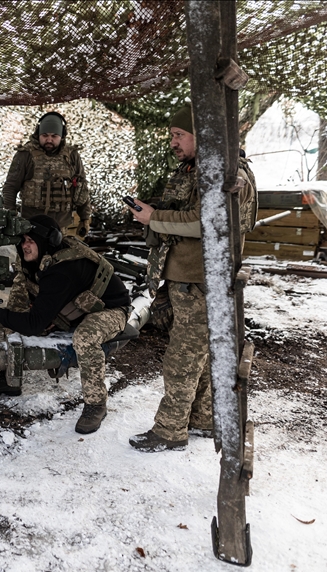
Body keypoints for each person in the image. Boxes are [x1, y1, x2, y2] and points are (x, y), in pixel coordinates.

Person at [127, 103, 257, 452]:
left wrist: (154, 218)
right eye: (172, 135)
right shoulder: (196, 168)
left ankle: (170, 432)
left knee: (182, 360)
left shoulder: (228, 173)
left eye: (179, 134)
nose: (174, 142)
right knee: (197, 354)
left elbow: (207, 223)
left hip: (203, 282)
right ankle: (202, 418)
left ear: (203, 134)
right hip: (185, 280)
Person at [0, 214, 131, 434]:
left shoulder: (62, 270)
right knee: (15, 306)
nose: (25, 246)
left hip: (111, 309)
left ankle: (96, 404)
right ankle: (10, 379)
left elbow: (34, 325)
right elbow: (26, 307)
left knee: (85, 337)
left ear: (47, 241)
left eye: (31, 241)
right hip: (75, 304)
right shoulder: (36, 259)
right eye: (23, 240)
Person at [1, 112, 93, 236]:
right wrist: (10, 217)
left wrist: (84, 218)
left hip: (62, 226)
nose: (49, 140)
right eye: (44, 135)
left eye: (54, 136)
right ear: (38, 133)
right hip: (32, 224)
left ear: (62, 136)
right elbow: (11, 187)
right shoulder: (25, 155)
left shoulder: (72, 156)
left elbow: (82, 188)